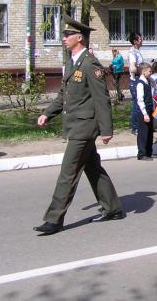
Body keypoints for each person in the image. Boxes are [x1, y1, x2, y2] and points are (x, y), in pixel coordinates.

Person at [33, 15, 124, 236]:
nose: (63, 38)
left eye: (67, 35)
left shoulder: (90, 64)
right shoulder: (71, 63)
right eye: (63, 34)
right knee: (93, 168)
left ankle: (54, 219)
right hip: (75, 124)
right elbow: (63, 95)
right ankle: (113, 208)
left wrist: (106, 129)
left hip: (84, 127)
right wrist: (47, 113)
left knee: (68, 172)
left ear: (79, 38)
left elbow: (101, 99)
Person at [136, 62, 154, 160]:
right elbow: (140, 99)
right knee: (143, 133)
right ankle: (142, 154)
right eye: (149, 71)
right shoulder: (140, 83)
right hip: (144, 112)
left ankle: (148, 152)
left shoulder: (148, 81)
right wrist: (145, 113)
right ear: (143, 72)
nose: (151, 73)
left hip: (150, 110)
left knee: (149, 132)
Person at [127, 32, 144, 135]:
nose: (142, 40)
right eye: (140, 39)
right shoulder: (132, 52)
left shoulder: (137, 51)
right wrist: (143, 70)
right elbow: (133, 69)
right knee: (137, 105)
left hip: (138, 80)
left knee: (139, 103)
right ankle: (135, 127)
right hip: (135, 81)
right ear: (135, 41)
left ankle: (138, 126)